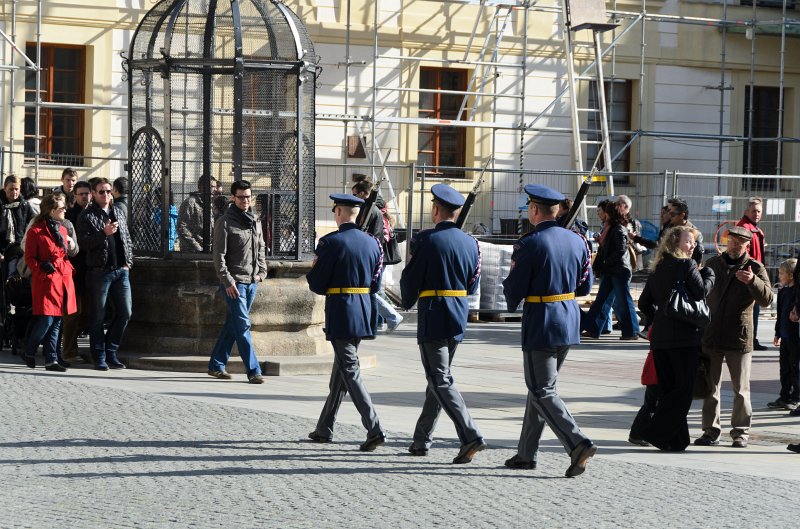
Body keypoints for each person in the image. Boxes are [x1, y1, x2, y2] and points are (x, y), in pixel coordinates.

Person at [502, 184, 596, 477]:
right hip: (568, 315)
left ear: (533, 210)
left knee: (541, 389)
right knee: (541, 389)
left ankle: (577, 442)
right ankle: (526, 453)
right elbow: (584, 285)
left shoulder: (530, 243)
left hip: (542, 316)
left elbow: (515, 286)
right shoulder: (578, 241)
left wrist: (510, 296)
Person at [400, 183, 485, 464]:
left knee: (439, 379)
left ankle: (470, 434)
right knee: (438, 379)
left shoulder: (426, 240)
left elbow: (411, 277)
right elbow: (473, 283)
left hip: (435, 311)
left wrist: (407, 299)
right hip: (458, 312)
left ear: (436, 210)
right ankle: (421, 440)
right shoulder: (471, 242)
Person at [306, 193, 387, 452]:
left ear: (339, 212)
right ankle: (324, 428)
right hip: (363, 309)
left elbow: (317, 284)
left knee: (350, 371)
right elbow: (375, 283)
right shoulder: (373, 243)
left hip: (341, 309)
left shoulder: (330, 242)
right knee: (341, 372)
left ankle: (374, 429)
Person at [636, 226, 714, 451]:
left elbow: (643, 304)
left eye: (694, 242)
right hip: (684, 338)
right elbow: (701, 292)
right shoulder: (686, 264)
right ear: (674, 243)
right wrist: (709, 274)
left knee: (670, 389)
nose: (693, 246)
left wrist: (661, 316)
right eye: (689, 241)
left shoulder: (658, 266)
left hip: (660, 338)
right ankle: (654, 432)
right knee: (683, 390)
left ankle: (676, 441)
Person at [695, 226, 772, 448]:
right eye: (732, 241)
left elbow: (767, 299)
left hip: (738, 336)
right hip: (711, 334)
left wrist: (752, 282)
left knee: (741, 389)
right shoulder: (713, 264)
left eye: (741, 243)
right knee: (711, 388)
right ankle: (711, 431)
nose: (735, 245)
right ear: (727, 242)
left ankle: (740, 432)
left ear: (748, 246)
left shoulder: (755, 268)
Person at [206, 180, 267, 384]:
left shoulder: (254, 220)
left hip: (252, 281)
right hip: (235, 284)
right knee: (242, 326)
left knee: (233, 325)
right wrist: (227, 281)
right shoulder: (225, 222)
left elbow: (261, 247)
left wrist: (261, 273)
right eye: (241, 197)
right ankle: (253, 370)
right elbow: (218, 256)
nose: (246, 200)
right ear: (233, 198)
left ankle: (216, 365)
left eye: (249, 196)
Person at [76, 177, 133, 371]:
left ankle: (111, 352)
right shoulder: (87, 216)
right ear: (93, 194)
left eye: (109, 191)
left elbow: (126, 238)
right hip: (99, 272)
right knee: (98, 316)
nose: (106, 195)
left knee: (125, 313)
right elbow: (83, 244)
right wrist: (103, 233)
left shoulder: (118, 211)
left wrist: (128, 263)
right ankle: (99, 355)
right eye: (102, 192)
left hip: (120, 271)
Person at [22, 193, 77, 371]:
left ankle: (51, 360)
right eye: (62, 208)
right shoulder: (35, 231)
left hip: (62, 279)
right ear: (52, 211)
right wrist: (42, 269)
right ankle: (29, 350)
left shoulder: (62, 229)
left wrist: (67, 268)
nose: (65, 210)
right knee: (46, 320)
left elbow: (65, 253)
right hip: (46, 281)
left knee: (56, 322)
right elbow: (30, 258)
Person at [581, 201, 639, 340]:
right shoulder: (609, 228)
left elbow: (620, 250)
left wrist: (606, 262)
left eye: (603, 211)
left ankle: (631, 332)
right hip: (611, 270)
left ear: (609, 213)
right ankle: (593, 329)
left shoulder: (618, 229)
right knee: (602, 300)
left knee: (623, 301)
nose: (601, 214)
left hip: (619, 270)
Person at [352, 178, 403, 333]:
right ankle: (380, 321)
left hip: (374, 257)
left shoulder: (372, 210)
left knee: (371, 291)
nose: (353, 196)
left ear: (362, 193)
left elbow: (375, 236)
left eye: (355, 194)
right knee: (374, 290)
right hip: (375, 256)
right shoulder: (372, 208)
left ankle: (387, 318)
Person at [61, 181, 92, 364]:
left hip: (91, 270)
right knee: (72, 313)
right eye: (81, 194)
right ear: (75, 195)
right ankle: (69, 350)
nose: (84, 197)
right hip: (74, 271)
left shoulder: (96, 213)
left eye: (87, 193)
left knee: (87, 312)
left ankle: (71, 345)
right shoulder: (70, 216)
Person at [768, 258, 799, 411]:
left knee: (795, 367)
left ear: (791, 275)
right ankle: (784, 395)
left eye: (781, 273)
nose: (779, 276)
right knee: (784, 367)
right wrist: (777, 332)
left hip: (795, 336)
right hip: (785, 335)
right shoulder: (783, 291)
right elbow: (780, 313)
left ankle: (796, 397)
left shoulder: (796, 293)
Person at [736, 197, 767, 351]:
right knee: (749, 310)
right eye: (753, 211)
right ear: (746, 211)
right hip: (748, 277)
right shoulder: (744, 228)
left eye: (759, 211)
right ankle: (749, 340)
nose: (756, 214)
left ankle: (751, 338)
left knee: (753, 310)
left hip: (753, 276)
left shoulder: (753, 228)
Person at [0, 174, 35, 279]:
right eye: (11, 189)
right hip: (2, 248)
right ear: (4, 188)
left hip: (19, 249)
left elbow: (33, 223)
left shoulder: (24, 205)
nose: (14, 192)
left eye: (16, 189)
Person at [178, 175, 221, 253]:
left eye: (215, 187)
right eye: (212, 186)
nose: (215, 189)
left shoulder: (210, 203)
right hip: (192, 251)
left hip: (207, 249)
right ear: (201, 187)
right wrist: (197, 247)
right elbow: (182, 227)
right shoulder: (190, 202)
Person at [664, 197, 703, 264]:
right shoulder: (669, 227)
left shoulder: (694, 233)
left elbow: (697, 254)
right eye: (668, 212)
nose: (669, 216)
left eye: (672, 214)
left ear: (682, 215)